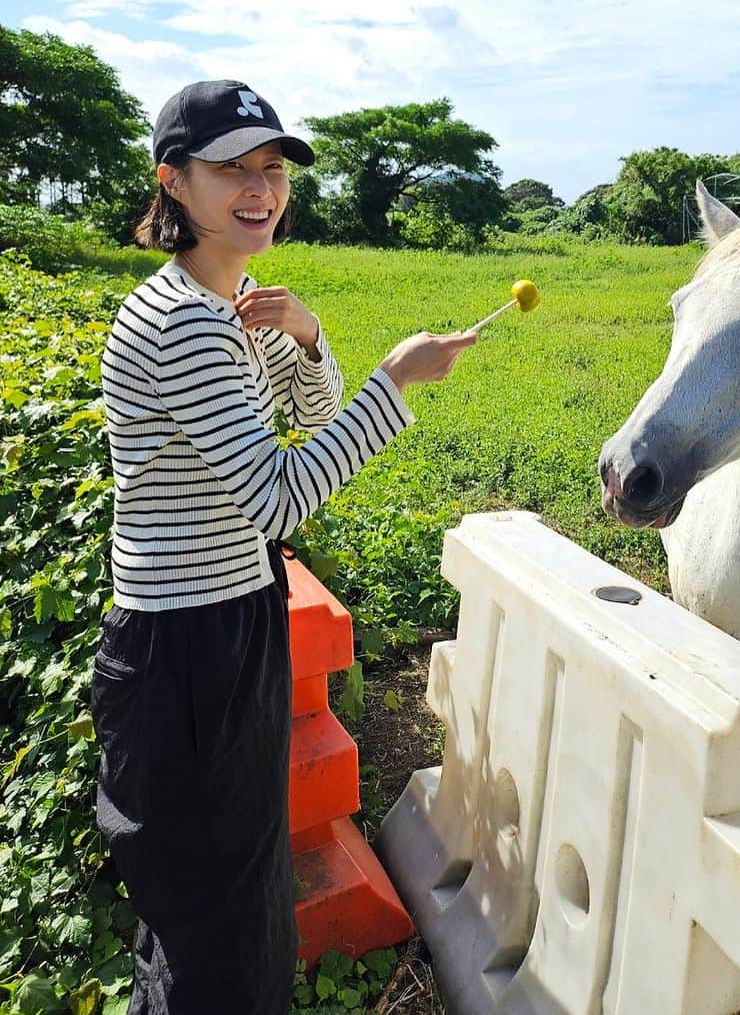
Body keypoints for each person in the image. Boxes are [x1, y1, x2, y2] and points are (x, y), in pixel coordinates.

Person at [91, 79, 475, 1014]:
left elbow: (303, 417)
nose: (260, 188)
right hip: (188, 652)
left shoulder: (231, 304)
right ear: (173, 183)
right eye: (231, 168)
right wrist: (391, 383)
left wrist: (308, 339)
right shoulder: (182, 322)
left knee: (232, 900)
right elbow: (276, 499)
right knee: (215, 938)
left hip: (226, 621)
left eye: (272, 169)